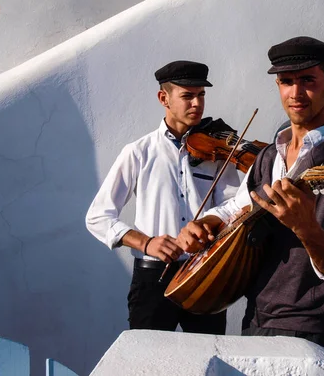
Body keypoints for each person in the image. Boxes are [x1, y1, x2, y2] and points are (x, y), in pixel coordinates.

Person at [176, 37, 324, 351]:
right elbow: (239, 206)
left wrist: (307, 227)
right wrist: (208, 222)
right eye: (286, 81)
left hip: (307, 330)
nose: (296, 93)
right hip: (255, 317)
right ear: (278, 86)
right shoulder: (269, 156)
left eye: (307, 80)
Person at [86, 60, 241, 334]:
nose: (197, 103)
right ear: (164, 98)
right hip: (152, 277)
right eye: (187, 96)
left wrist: (211, 228)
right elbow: (98, 217)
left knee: (209, 357)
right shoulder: (138, 152)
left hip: (204, 272)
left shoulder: (218, 151)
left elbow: (232, 206)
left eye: (201, 95)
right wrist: (147, 243)